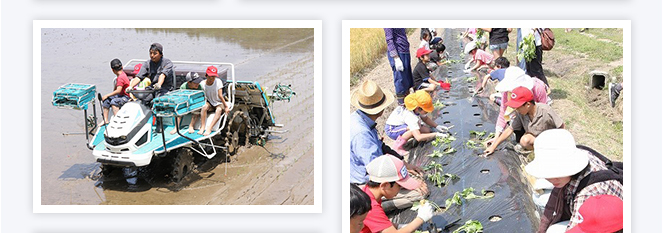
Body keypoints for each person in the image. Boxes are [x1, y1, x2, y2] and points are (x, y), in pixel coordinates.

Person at [350, 80, 428, 212]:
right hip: (363, 183)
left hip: (363, 173)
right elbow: (377, 172)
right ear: (381, 109)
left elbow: (382, 147)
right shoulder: (361, 134)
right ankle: (370, 208)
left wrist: (405, 165)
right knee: (421, 193)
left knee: (414, 178)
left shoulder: (358, 119)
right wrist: (409, 183)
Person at [524, 129, 622, 232]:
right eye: (548, 173)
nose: (552, 179)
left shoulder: (588, 194)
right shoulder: (579, 153)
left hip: (605, 220)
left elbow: (577, 229)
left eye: (557, 173)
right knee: (538, 196)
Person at [360, 155, 434, 233]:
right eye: (399, 186)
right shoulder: (370, 207)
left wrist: (399, 226)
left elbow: (380, 223)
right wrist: (420, 218)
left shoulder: (368, 192)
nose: (400, 189)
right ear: (385, 185)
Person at [486, 67, 551, 153]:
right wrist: (496, 138)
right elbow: (503, 113)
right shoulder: (508, 93)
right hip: (521, 117)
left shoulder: (538, 89)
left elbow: (544, 114)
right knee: (520, 139)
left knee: (528, 140)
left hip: (537, 119)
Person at [484, 86, 563, 155]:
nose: (516, 109)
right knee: (524, 141)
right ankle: (536, 152)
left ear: (528, 104)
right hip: (536, 139)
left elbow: (561, 126)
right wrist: (494, 146)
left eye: (518, 107)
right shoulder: (520, 113)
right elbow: (509, 129)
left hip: (549, 139)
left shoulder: (545, 110)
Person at [385, 90, 449, 155]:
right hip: (392, 129)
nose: (428, 111)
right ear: (418, 108)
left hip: (402, 125)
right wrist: (436, 134)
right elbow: (419, 137)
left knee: (427, 130)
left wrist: (437, 126)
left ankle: (412, 135)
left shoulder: (415, 107)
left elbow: (425, 118)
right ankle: (397, 147)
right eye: (426, 110)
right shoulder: (411, 116)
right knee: (412, 130)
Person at [384, 28, 414, 104]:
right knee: (400, 78)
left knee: (407, 78)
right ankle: (401, 103)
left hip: (405, 51)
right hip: (398, 53)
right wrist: (396, 57)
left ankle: (408, 101)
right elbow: (389, 40)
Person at [199, 66, 230, 136]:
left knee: (219, 110)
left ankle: (210, 128)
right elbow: (202, 96)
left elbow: (220, 96)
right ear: (206, 76)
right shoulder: (202, 84)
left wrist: (226, 106)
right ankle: (202, 126)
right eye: (209, 77)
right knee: (204, 107)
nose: (211, 79)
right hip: (209, 102)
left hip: (218, 102)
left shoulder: (218, 82)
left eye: (213, 77)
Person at [101, 58, 131, 124]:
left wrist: (107, 95)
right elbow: (116, 88)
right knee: (107, 100)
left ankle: (117, 120)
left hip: (126, 97)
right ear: (122, 67)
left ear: (112, 70)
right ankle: (105, 119)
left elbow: (118, 90)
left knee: (114, 101)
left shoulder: (121, 77)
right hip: (120, 95)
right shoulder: (120, 75)